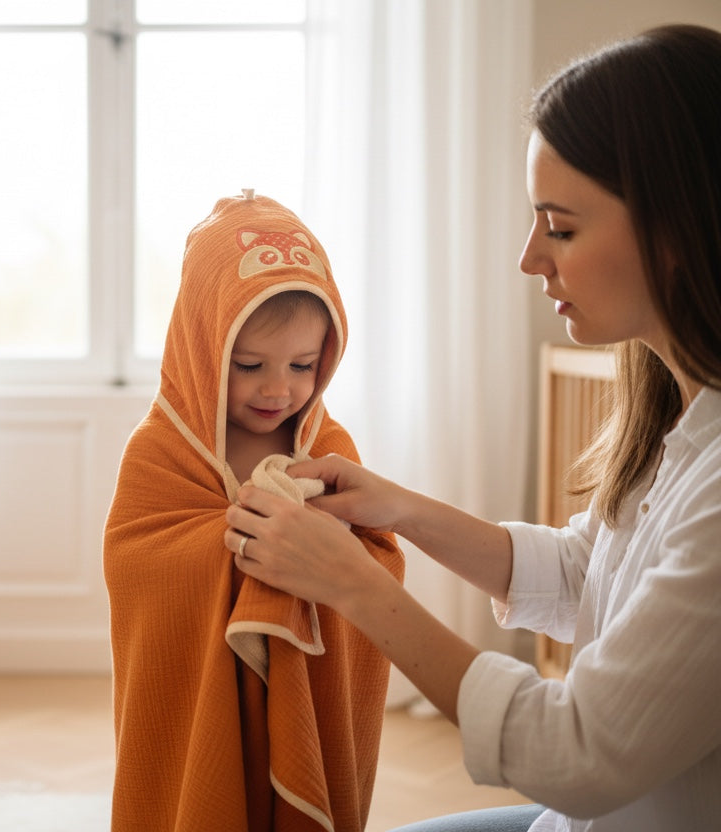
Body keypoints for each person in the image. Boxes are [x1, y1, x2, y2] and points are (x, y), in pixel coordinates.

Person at [225, 24, 721, 832]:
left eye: (561, 227)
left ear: (677, 229)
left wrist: (352, 583)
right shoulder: (682, 424)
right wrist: (399, 508)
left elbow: (577, 753)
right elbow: (584, 572)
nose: (530, 257)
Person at [104, 191, 404, 831]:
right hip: (201, 698)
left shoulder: (325, 448)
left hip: (302, 691)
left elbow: (377, 558)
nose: (278, 388)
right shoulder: (160, 450)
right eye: (248, 365)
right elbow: (136, 564)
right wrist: (247, 544)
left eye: (302, 365)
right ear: (202, 349)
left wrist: (319, 544)